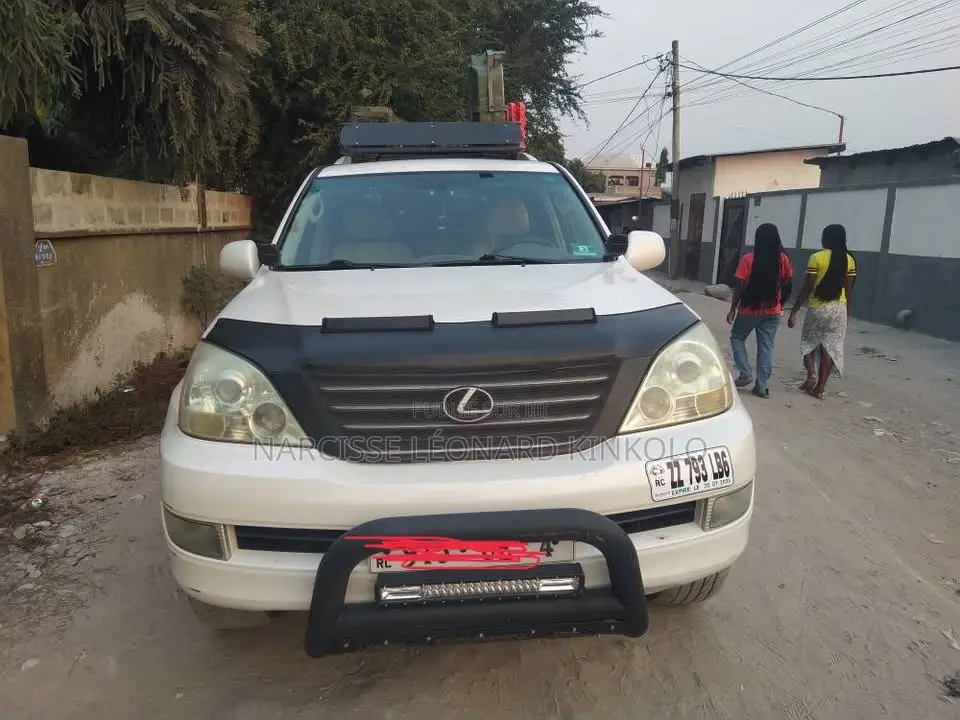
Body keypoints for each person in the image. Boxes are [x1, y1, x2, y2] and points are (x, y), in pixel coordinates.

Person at [787, 223, 857, 399]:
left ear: (826, 238)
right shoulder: (849, 259)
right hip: (838, 308)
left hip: (818, 307)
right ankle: (820, 388)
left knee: (809, 342)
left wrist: (794, 310)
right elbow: (849, 290)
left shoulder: (816, 257)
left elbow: (807, 287)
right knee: (830, 348)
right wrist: (847, 312)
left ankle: (811, 374)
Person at [726, 223, 794, 399]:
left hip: (749, 308)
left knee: (737, 337)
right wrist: (782, 303)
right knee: (766, 347)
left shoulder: (748, 259)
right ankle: (762, 387)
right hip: (773, 310)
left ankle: (745, 372)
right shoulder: (783, 259)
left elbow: (740, 286)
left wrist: (733, 308)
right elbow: (788, 283)